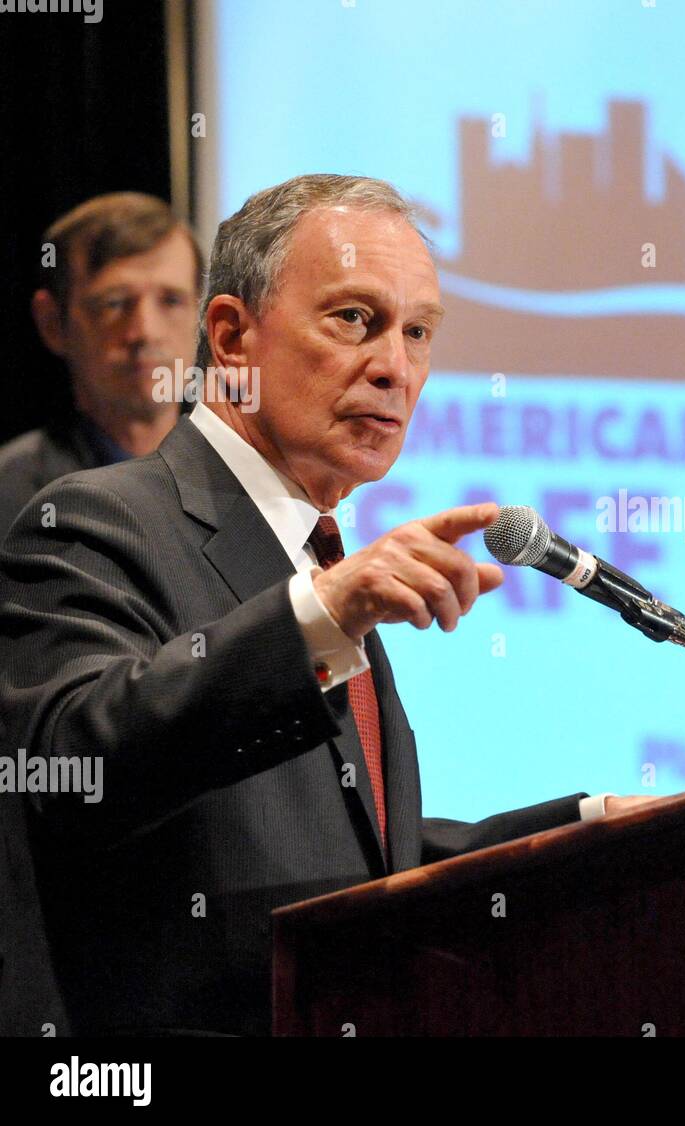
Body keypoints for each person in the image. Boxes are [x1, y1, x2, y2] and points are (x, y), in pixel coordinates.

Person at [0, 174, 652, 1037]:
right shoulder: (99, 521)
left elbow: (353, 868)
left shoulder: (316, 556)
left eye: (417, 332)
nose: (395, 367)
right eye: (355, 320)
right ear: (231, 336)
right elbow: (71, 766)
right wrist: (317, 614)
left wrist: (586, 833)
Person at [0, 192, 203, 534]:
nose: (146, 332)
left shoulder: (249, 479)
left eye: (171, 300)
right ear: (52, 322)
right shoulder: (12, 499)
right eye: (114, 303)